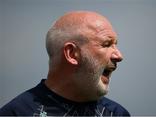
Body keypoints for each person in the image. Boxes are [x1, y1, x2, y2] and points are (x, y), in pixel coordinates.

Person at [0, 11, 130, 116]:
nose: (119, 56)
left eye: (115, 45)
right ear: (72, 53)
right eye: (106, 44)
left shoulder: (116, 113)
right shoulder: (17, 113)